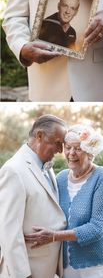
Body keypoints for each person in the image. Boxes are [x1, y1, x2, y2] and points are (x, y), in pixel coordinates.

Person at [25, 124, 103, 278]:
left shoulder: (102, 176)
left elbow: (98, 227)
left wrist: (54, 235)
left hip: (97, 265)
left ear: (90, 152)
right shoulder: (60, 178)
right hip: (66, 267)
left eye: (78, 148)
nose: (71, 153)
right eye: (68, 147)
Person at [0, 115, 67, 278]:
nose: (61, 150)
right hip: (27, 270)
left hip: (46, 269)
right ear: (39, 136)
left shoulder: (47, 166)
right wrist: (23, 275)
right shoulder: (13, 171)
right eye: (58, 143)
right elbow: (9, 232)